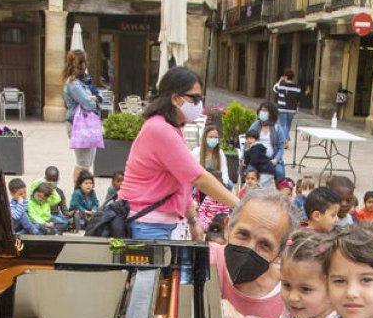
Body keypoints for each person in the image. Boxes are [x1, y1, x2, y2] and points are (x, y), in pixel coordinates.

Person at [119, 67, 237, 241]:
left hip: (158, 223)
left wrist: (192, 219)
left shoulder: (168, 128)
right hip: (148, 224)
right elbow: (198, 177)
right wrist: (240, 205)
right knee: (151, 269)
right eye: (194, 98)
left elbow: (181, 180)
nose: (199, 104)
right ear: (175, 98)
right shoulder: (160, 129)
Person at [211, 188, 302, 318]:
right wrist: (213, 305)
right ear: (227, 228)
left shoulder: (291, 299)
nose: (249, 249)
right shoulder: (205, 260)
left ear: (280, 253)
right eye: (243, 235)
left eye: (265, 245)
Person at [63, 49, 100, 184]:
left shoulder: (83, 80)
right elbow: (88, 103)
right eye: (84, 62)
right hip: (78, 124)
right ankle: (78, 195)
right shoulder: (73, 83)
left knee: (87, 163)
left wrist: (94, 98)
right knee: (83, 163)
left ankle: (84, 194)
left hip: (87, 123)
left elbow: (97, 96)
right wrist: (93, 99)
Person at [249, 100, 288, 179]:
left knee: (279, 172)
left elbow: (281, 147)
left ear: (271, 113)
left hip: (272, 160)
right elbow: (248, 141)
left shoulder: (277, 128)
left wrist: (276, 159)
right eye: (261, 110)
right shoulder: (255, 126)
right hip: (256, 159)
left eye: (265, 111)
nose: (262, 112)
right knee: (251, 172)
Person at [192, 124, 232, 189]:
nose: (213, 139)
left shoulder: (220, 152)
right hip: (201, 181)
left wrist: (223, 183)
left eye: (216, 137)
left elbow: (224, 171)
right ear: (205, 138)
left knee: (229, 185)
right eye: (210, 137)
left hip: (216, 181)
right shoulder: (196, 152)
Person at [273, 68, 301, 136]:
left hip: (282, 108)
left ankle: (285, 140)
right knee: (288, 125)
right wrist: (297, 107)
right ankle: (286, 140)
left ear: (285, 76)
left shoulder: (282, 85)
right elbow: (298, 98)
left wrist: (280, 80)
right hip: (292, 109)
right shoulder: (297, 87)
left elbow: (274, 89)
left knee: (282, 125)